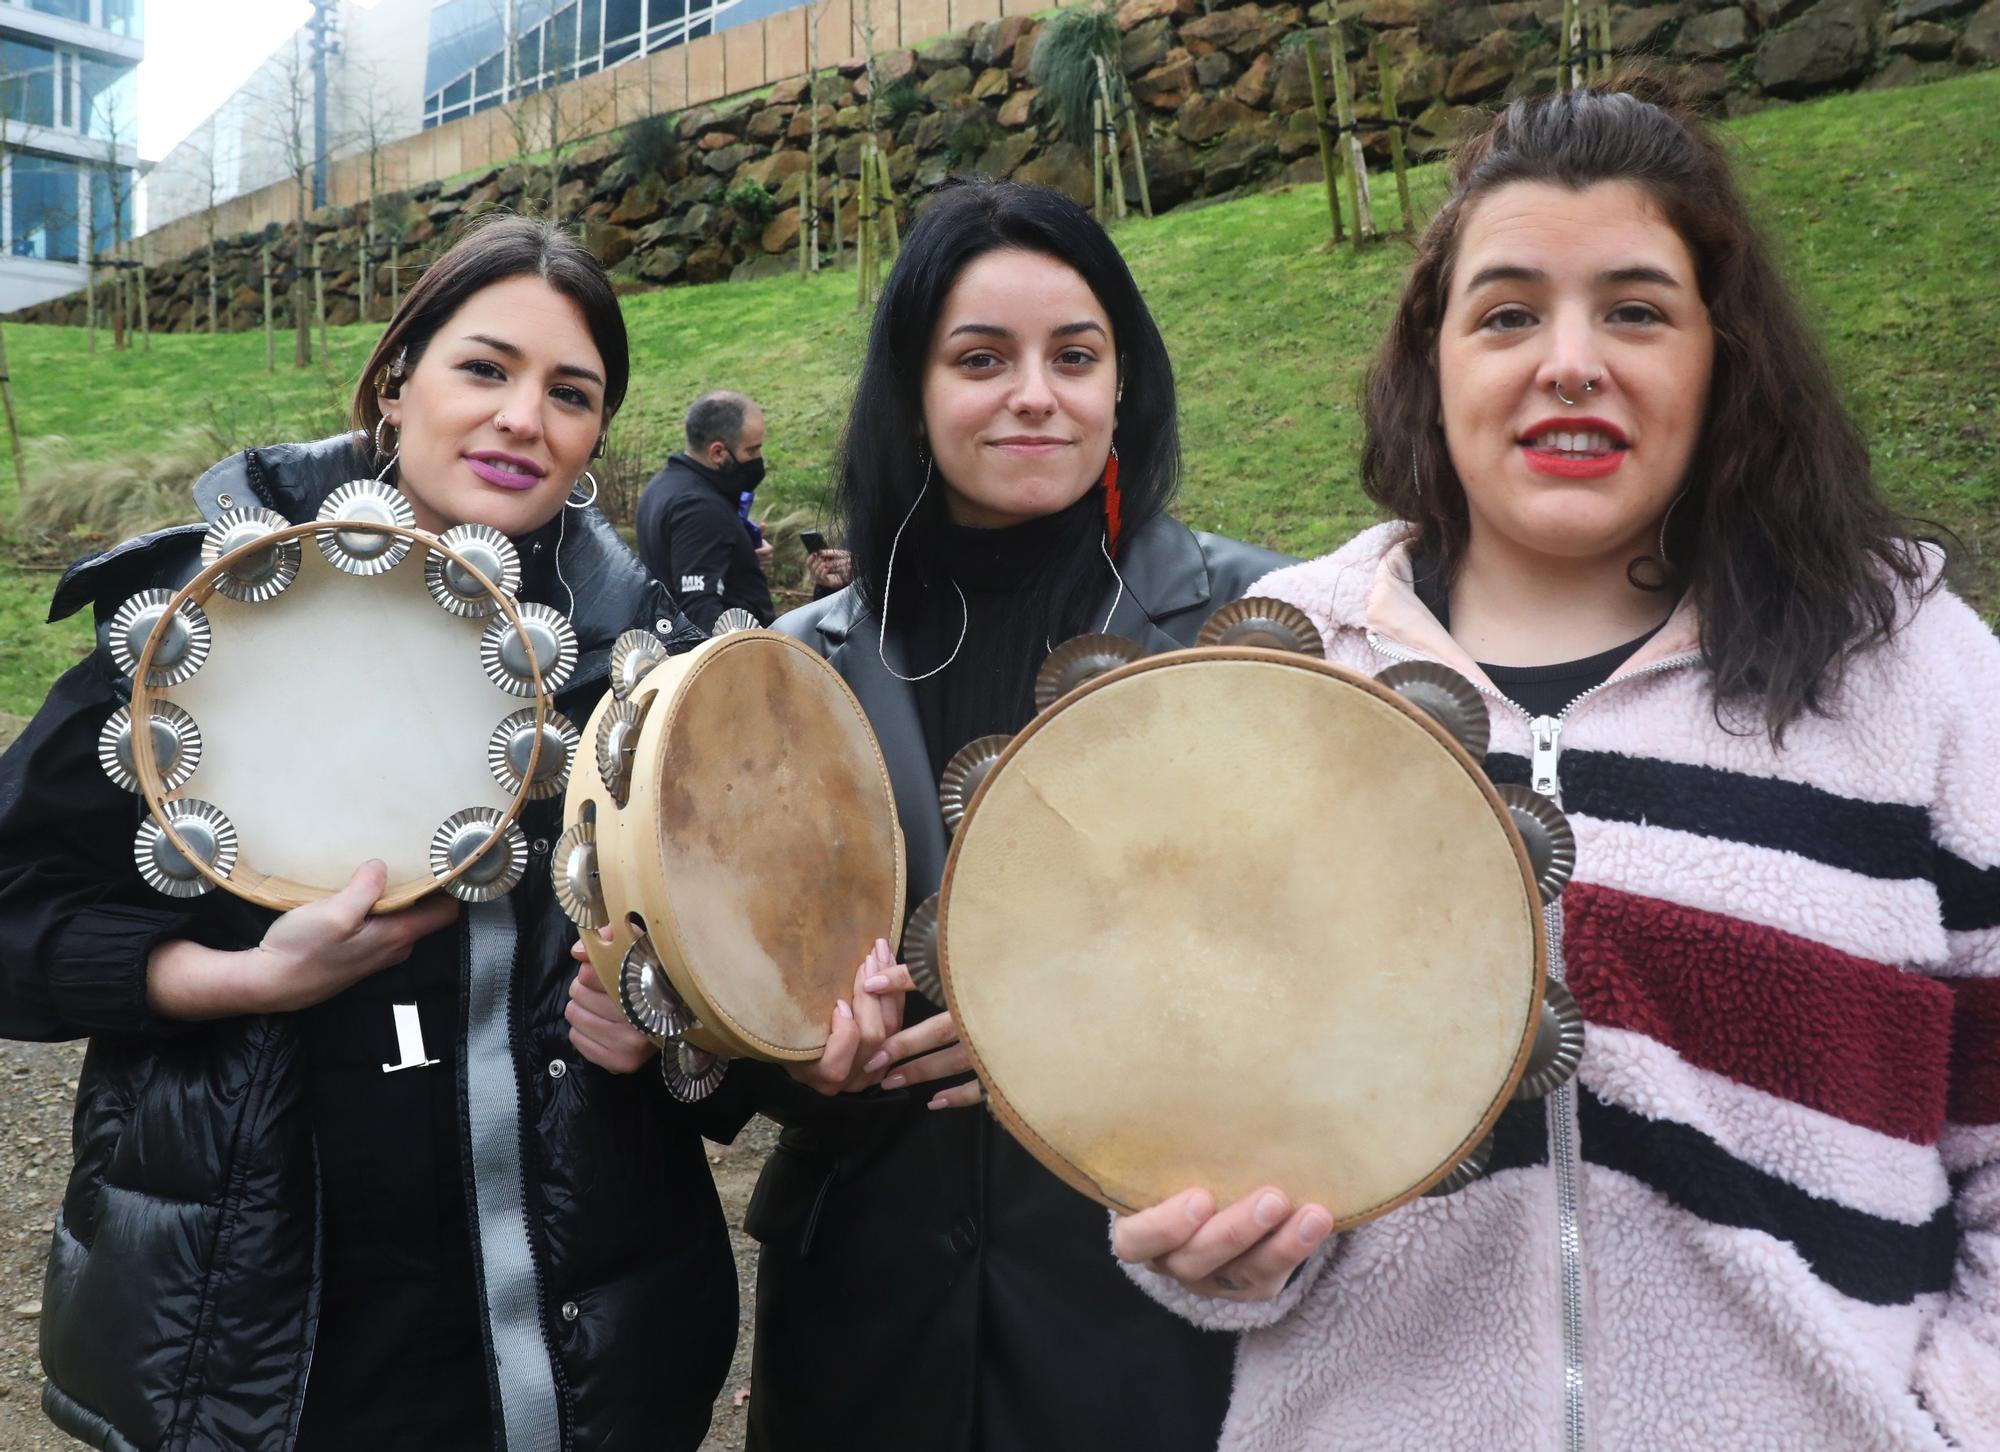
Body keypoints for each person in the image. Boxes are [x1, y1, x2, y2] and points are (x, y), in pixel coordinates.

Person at [1111, 81, 2000, 1451]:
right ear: (1436, 357)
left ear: (1725, 353)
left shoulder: (1915, 675)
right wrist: (1221, 1251)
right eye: (1509, 312)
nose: (1569, 361)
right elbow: (1193, 1088)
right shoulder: (1284, 679)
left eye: (1636, 309)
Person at [0, 216, 743, 1451]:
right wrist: (231, 980)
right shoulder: (203, 620)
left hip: (575, 1362)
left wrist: (674, 1033)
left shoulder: (643, 681)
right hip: (265, 1357)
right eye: (485, 368)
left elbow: (738, 983)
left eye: (572, 393)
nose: (524, 419)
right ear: (396, 382)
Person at [730, 178, 1295, 1452]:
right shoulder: (791, 671)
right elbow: (739, 987)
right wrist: (796, 1052)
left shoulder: (1254, 633)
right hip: (865, 1321)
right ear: (912, 391)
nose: (1033, 394)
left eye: (1074, 355)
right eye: (980, 358)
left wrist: (1072, 1039)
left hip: (1143, 1321)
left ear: (1123, 383)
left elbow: (1346, 968)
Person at [636, 389, 777, 629]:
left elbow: (682, 564)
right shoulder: (700, 508)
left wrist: (740, 560)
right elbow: (699, 609)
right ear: (718, 452)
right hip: (731, 657)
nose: (759, 458)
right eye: (752, 450)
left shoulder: (662, 485)